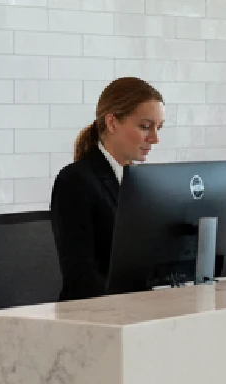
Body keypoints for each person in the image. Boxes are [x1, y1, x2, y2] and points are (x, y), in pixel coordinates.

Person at [48, 77, 164, 301]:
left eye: (159, 128)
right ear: (112, 123)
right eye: (145, 126)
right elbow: (81, 277)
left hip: (138, 311)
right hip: (95, 319)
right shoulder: (75, 181)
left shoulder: (143, 182)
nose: (155, 138)